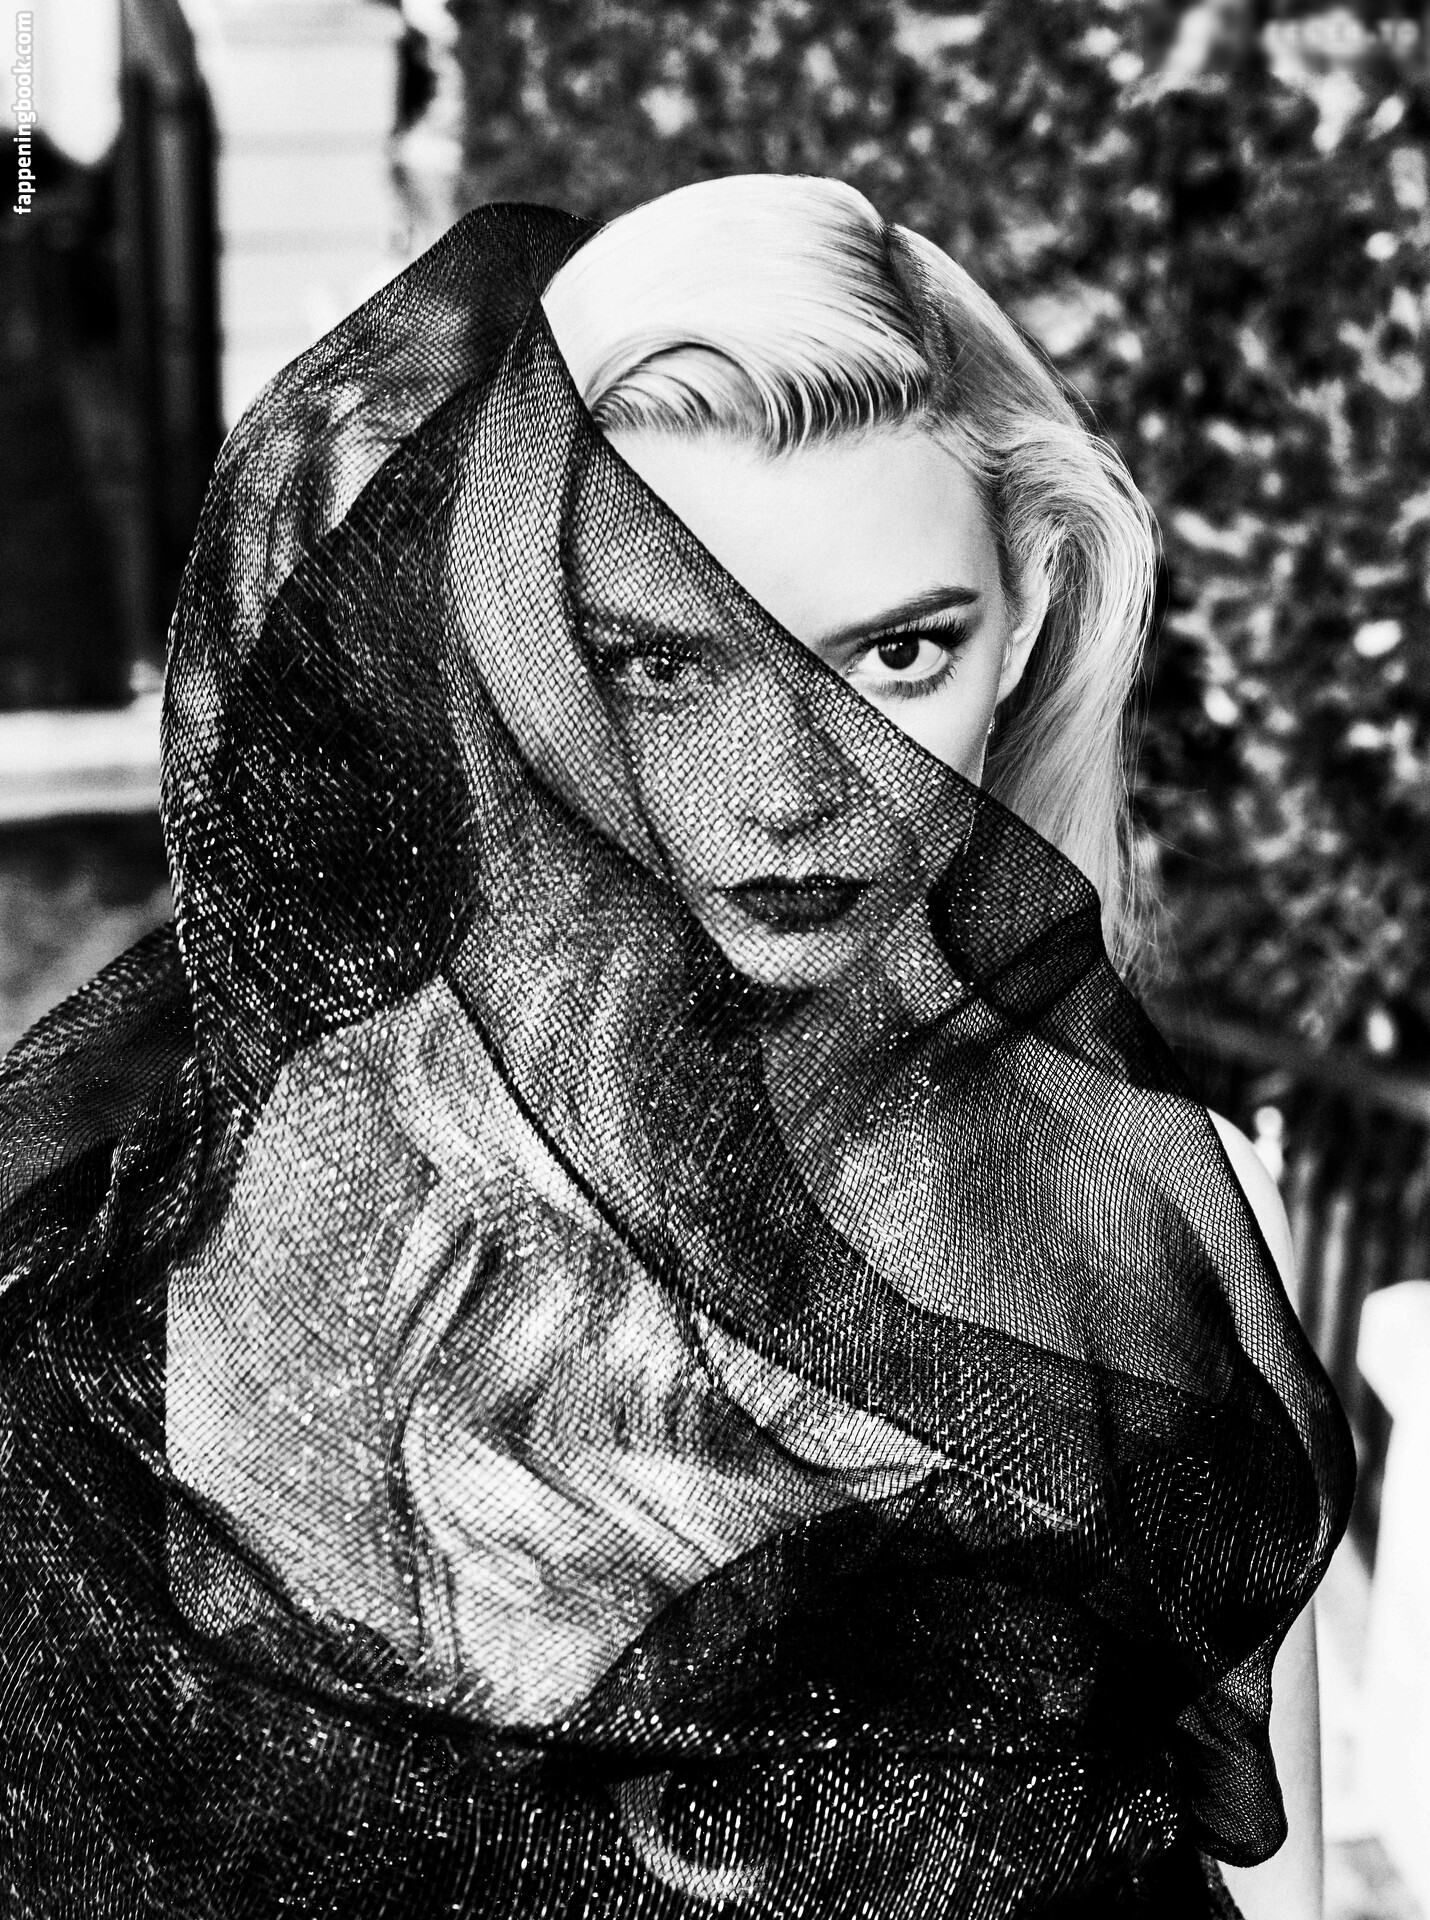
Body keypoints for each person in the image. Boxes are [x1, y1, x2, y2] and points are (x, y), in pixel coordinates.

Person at [0, 176, 1353, 1919]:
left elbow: (1264, 1875)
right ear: (520, 664)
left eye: (897, 651)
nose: (789, 791)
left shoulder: (1158, 1218)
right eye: (661, 669)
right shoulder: (299, 1225)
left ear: (1024, 622)